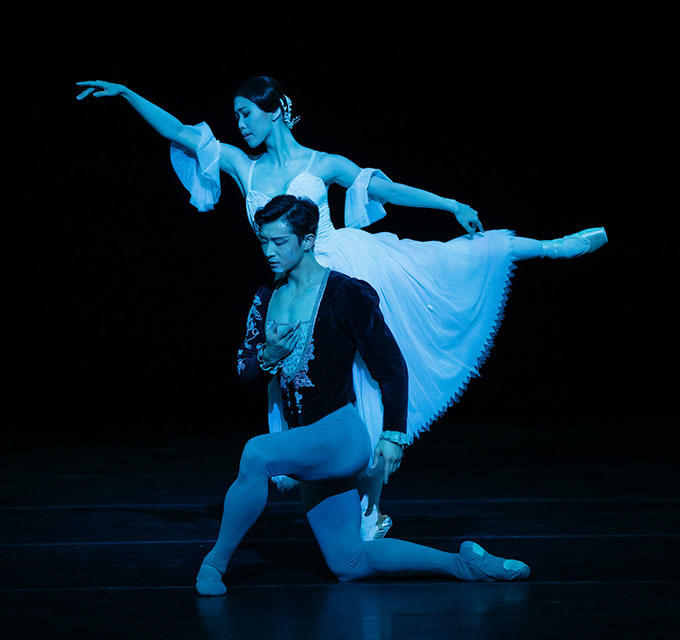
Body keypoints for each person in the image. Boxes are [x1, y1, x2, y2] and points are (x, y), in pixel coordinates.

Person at [75, 76, 607, 536]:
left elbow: (388, 188)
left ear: (275, 109)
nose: (238, 124)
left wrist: (449, 203)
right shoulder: (242, 166)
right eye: (234, 115)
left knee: (426, 294)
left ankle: (543, 246)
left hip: (346, 271)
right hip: (298, 291)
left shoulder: (320, 163)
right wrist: (126, 94)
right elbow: (178, 132)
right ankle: (361, 504)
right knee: (329, 393)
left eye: (246, 113)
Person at [195, 194, 530, 596]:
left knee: (256, 453)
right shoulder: (265, 299)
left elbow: (391, 366)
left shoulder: (345, 293)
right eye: (264, 241)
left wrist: (393, 434)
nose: (269, 251)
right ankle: (463, 564)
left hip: (339, 435)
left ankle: (213, 563)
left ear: (306, 240)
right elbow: (244, 369)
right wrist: (269, 355)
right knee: (349, 563)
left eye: (279, 241)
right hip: (309, 445)